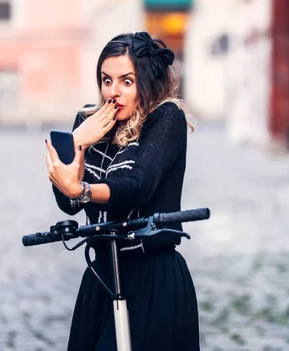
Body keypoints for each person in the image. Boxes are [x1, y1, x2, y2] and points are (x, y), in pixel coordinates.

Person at [45, 31, 200, 351]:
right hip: (101, 277)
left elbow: (137, 187)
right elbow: (67, 202)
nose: (113, 91)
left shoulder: (166, 117)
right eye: (106, 80)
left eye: (126, 81)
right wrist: (76, 142)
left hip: (152, 278)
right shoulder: (89, 123)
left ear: (144, 82)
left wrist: (83, 189)